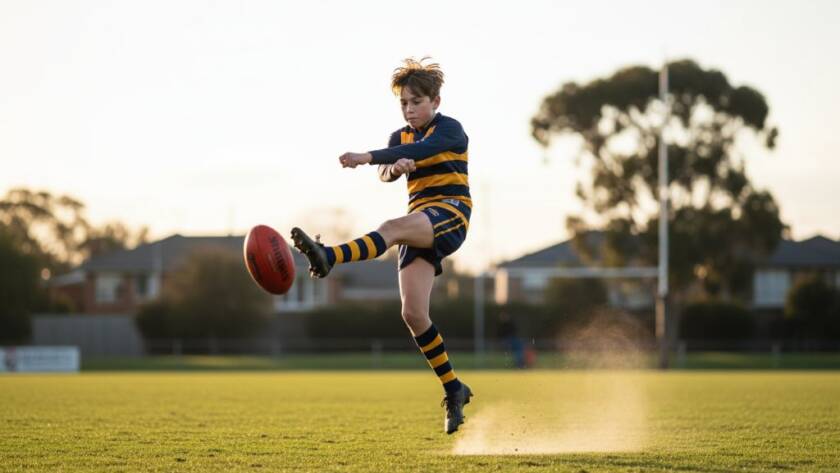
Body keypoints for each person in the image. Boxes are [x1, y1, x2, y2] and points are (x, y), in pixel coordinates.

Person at [290, 57, 473, 434]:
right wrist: (392, 168)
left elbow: (421, 152)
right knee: (413, 315)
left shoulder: (450, 129)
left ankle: (328, 257)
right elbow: (387, 172)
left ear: (435, 101)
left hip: (450, 213)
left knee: (389, 227)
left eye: (416, 102)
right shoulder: (399, 137)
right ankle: (454, 388)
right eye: (404, 103)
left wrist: (365, 157)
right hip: (419, 222)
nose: (409, 109)